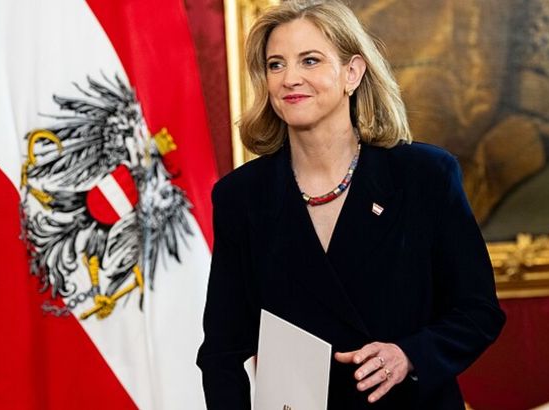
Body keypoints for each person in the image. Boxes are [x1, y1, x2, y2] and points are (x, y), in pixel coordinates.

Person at [196, 0, 505, 408]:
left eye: (310, 60)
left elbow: (478, 311)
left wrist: (409, 355)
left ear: (352, 73)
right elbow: (222, 351)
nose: (290, 78)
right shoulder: (241, 196)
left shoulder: (425, 176)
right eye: (276, 65)